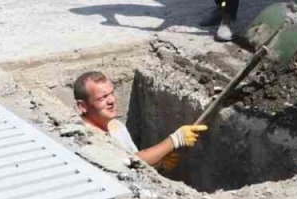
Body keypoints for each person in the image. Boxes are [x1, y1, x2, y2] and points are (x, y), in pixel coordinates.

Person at [73, 71, 206, 168]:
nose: (112, 100)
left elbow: (134, 162)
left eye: (111, 93)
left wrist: (158, 164)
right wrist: (175, 140)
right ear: (82, 106)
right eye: (102, 98)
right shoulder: (87, 139)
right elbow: (127, 162)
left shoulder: (116, 126)